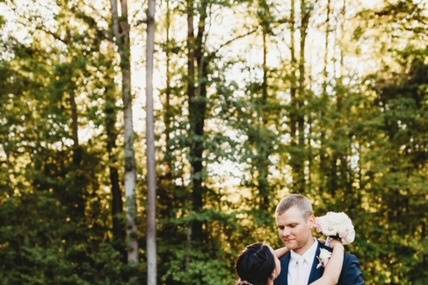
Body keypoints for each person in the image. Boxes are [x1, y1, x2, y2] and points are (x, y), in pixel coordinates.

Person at [274, 194, 364, 285]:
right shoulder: (272, 264)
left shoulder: (344, 261)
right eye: (281, 227)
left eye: (292, 225)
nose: (285, 233)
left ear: (311, 221)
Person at [236, 239, 345, 285]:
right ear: (273, 273)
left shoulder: (251, 274)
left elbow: (261, 262)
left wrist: (291, 246)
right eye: (274, 255)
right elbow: (330, 278)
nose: (276, 253)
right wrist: (338, 245)